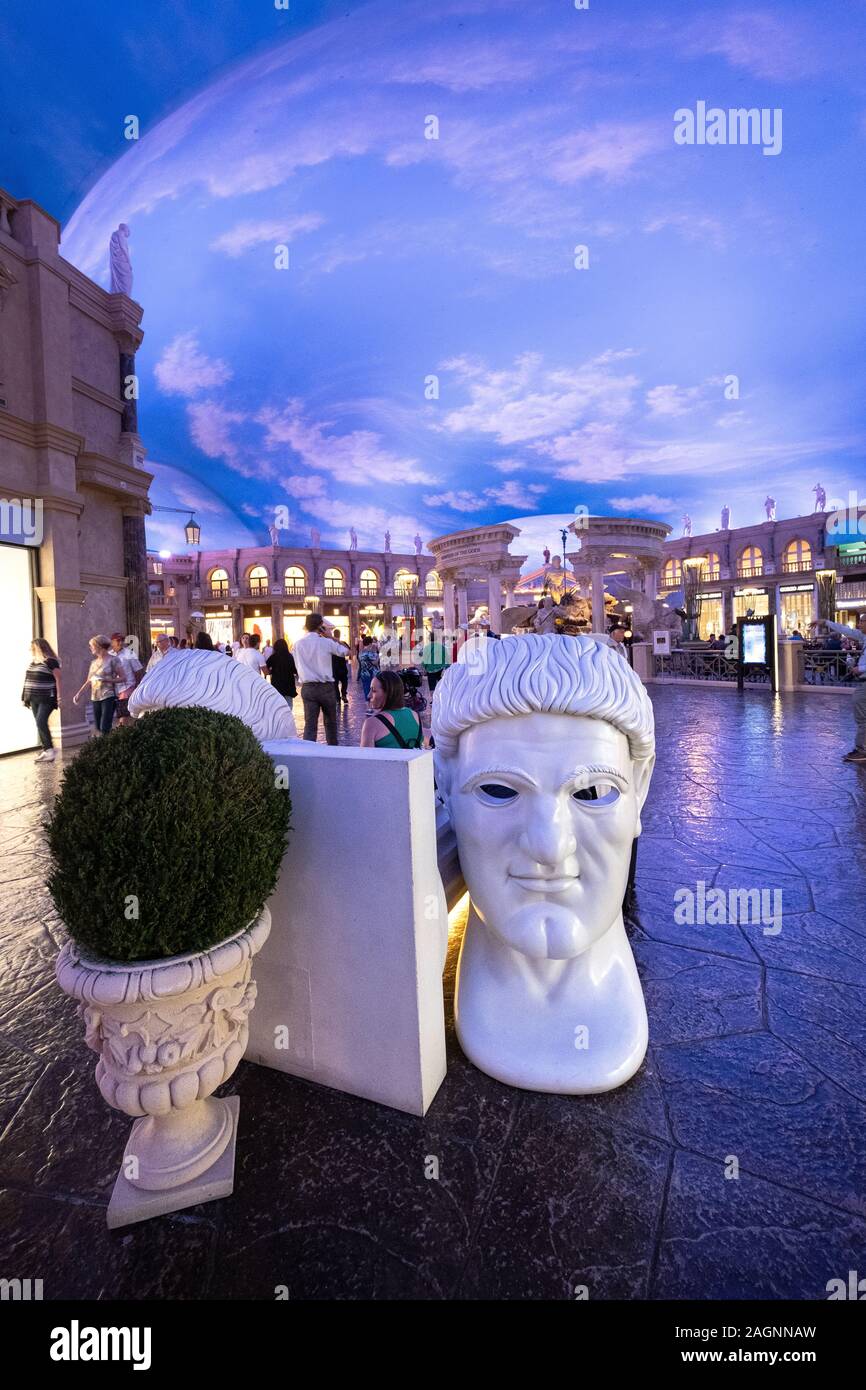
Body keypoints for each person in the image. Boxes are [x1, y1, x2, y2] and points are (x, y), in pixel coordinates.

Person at [812, 616, 866, 761]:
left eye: (862, 621)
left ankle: (862, 750)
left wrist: (860, 668)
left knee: (861, 714)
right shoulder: (863, 636)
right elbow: (846, 630)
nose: (859, 624)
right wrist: (826, 622)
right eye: (859, 621)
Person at [292, 612, 349, 744]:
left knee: (310, 725)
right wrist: (332, 638)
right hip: (326, 687)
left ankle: (309, 753)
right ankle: (332, 751)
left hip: (308, 688)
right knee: (331, 723)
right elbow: (348, 652)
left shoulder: (298, 644)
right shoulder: (326, 643)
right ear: (320, 626)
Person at [72, 634, 125, 735]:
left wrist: (107, 680)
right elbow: (89, 681)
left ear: (99, 646)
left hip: (109, 695)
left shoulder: (113, 660)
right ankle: (106, 745)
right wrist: (79, 694)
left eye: (92, 646)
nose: (90, 648)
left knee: (105, 726)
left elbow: (123, 678)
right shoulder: (93, 662)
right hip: (95, 696)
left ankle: (107, 747)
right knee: (98, 726)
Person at [360, 671, 425, 749]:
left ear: (388, 693)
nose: (369, 695)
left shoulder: (372, 724)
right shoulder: (415, 715)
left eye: (374, 691)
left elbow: (365, 759)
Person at [21, 637, 61, 762]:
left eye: (32, 648)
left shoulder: (51, 662)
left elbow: (58, 679)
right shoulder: (33, 662)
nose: (29, 650)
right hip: (33, 697)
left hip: (47, 698)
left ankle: (49, 750)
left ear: (38, 648)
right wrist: (24, 696)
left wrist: (59, 697)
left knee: (40, 721)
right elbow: (28, 680)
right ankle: (47, 749)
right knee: (39, 723)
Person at [110, 632, 143, 725]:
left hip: (127, 687)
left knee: (123, 713)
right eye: (118, 640)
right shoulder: (109, 655)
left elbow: (137, 670)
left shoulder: (130, 653)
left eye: (122, 640)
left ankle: (121, 731)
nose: (120, 642)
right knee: (120, 713)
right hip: (114, 689)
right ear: (112, 642)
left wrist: (137, 685)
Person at [266, 637, 297, 703]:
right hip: (288, 684)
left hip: (276, 684)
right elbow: (294, 670)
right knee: (288, 705)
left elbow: (266, 666)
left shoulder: (273, 657)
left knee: (278, 704)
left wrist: (272, 672)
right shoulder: (290, 656)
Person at [420, 629, 451, 694]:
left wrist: (424, 668)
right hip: (440, 669)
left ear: (429, 639)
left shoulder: (426, 648)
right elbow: (447, 659)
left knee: (432, 687)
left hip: (430, 670)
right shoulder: (442, 647)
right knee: (441, 686)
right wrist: (447, 668)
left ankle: (433, 701)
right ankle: (441, 699)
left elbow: (424, 661)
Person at [357, 634, 380, 702]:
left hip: (364, 673)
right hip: (372, 674)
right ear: (370, 643)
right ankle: (373, 705)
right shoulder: (369, 652)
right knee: (374, 689)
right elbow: (375, 662)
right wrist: (378, 655)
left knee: (366, 689)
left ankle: (368, 707)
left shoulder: (361, 652)